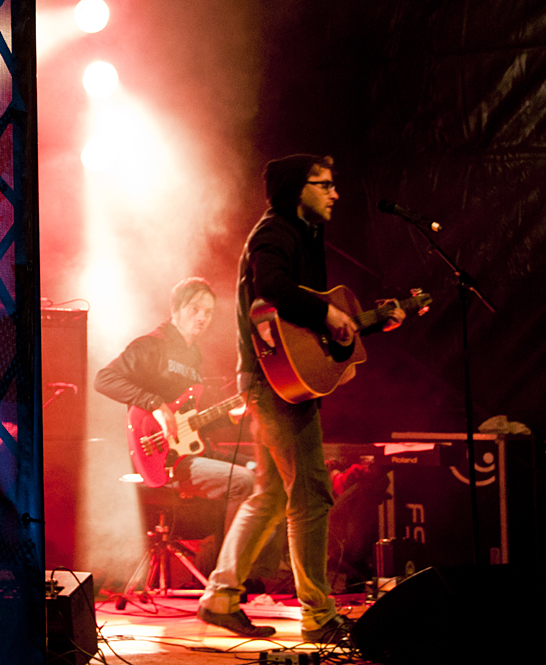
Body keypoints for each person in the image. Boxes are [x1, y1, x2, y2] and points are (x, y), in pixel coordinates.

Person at [196, 154, 405, 642]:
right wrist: (326, 313)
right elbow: (271, 288)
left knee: (271, 495)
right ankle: (319, 616)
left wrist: (369, 323)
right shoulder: (275, 232)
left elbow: (307, 325)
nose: (335, 193)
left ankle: (220, 597)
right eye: (323, 184)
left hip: (278, 383)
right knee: (312, 494)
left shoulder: (304, 235)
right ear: (296, 189)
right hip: (274, 387)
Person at [95, 277, 255, 548]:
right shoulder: (152, 344)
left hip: (187, 452)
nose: (202, 317)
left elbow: (190, 424)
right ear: (176, 310)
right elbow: (104, 379)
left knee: (262, 472)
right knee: (244, 481)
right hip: (158, 456)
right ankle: (231, 570)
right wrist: (155, 404)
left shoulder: (194, 356)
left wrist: (230, 416)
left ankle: (220, 558)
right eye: (194, 309)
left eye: (208, 312)